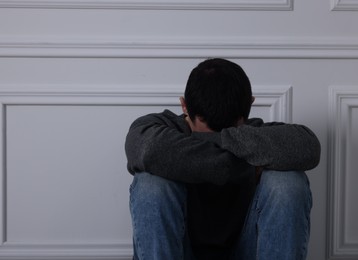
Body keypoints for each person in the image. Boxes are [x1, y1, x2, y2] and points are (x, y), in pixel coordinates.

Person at [125, 58, 320, 260]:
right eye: (207, 126)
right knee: (151, 184)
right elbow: (148, 149)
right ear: (184, 106)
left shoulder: (254, 134)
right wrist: (248, 164)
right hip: (180, 251)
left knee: (287, 183)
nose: (215, 134)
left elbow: (309, 146)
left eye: (227, 127)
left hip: (248, 251)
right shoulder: (156, 129)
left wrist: (200, 143)